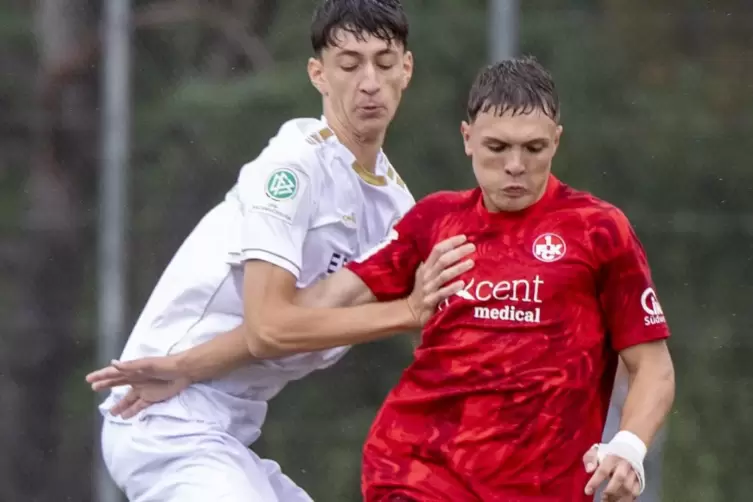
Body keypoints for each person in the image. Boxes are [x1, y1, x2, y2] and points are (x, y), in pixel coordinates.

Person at [88, 1, 475, 501]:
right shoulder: (292, 168)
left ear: (406, 69)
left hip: (226, 436)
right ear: (318, 74)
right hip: (163, 422)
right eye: (349, 63)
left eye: (383, 61)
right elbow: (271, 327)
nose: (370, 81)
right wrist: (407, 311)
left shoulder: (398, 210)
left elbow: (285, 327)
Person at [342, 56, 676, 501]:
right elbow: (330, 306)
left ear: (556, 141)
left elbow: (653, 366)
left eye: (533, 148)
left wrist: (629, 447)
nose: (515, 164)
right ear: (467, 139)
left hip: (540, 486)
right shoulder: (434, 219)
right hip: (416, 469)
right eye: (497, 147)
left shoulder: (598, 230)